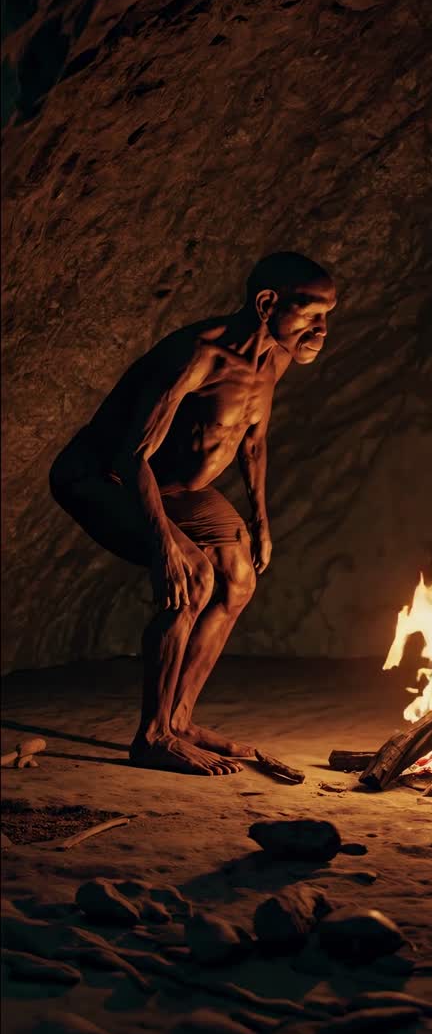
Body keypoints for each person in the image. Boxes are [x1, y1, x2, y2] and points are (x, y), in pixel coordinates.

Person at [50, 252, 337, 775]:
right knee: (194, 576)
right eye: (310, 312)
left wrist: (261, 523)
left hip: (177, 487)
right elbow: (131, 455)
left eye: (328, 315)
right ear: (267, 303)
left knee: (240, 578)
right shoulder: (200, 354)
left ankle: (178, 720)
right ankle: (153, 736)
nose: (321, 329)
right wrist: (164, 542)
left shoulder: (272, 359)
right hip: (103, 477)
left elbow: (253, 441)